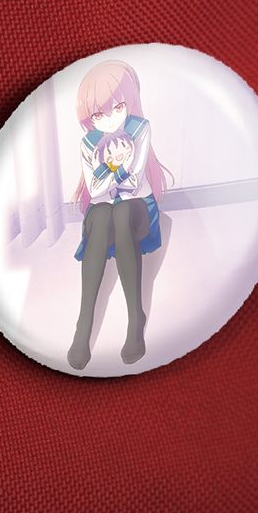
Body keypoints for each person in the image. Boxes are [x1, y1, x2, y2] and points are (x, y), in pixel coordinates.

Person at [68, 59, 172, 369]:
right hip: (104, 213)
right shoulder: (88, 142)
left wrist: (108, 172)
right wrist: (118, 168)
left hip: (137, 209)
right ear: (89, 117)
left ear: (129, 101)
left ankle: (135, 318)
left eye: (117, 107)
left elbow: (134, 181)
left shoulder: (140, 128)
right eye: (98, 114)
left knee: (122, 212)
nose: (110, 120)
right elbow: (95, 189)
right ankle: (83, 325)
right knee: (102, 216)